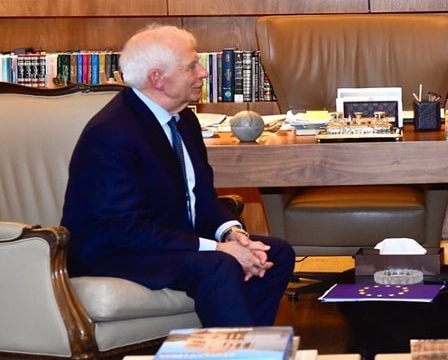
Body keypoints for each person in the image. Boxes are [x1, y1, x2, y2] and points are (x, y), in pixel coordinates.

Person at [61, 24, 294, 327]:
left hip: (166, 242)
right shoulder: (111, 134)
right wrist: (220, 249)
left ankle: (248, 343)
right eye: (192, 66)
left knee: (276, 254)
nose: (203, 73)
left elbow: (202, 197)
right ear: (157, 78)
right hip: (116, 252)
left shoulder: (183, 119)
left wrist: (233, 235)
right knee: (219, 265)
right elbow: (127, 230)